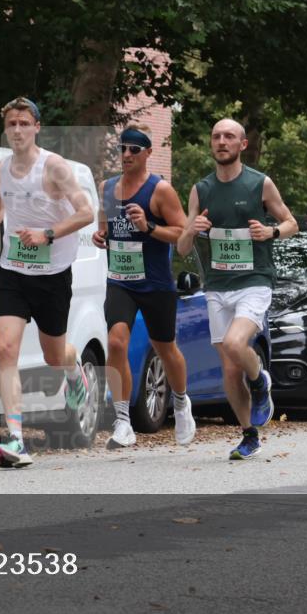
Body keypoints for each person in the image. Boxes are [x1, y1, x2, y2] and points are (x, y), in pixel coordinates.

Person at [0, 97, 95, 468]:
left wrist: (48, 233)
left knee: (53, 356)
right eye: (11, 124)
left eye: (24, 123)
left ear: (37, 127)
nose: (17, 130)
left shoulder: (54, 167)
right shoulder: (0, 168)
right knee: (5, 347)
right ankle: (14, 437)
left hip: (53, 275)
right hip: (13, 271)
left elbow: (86, 212)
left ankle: (76, 375)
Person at [177, 118, 298, 460]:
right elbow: (183, 248)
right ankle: (249, 435)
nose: (221, 141)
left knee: (235, 343)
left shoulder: (260, 184)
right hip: (217, 287)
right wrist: (192, 228)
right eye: (216, 136)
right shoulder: (201, 190)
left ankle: (260, 381)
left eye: (229, 136)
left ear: (242, 144)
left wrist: (271, 232)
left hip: (254, 282)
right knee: (229, 368)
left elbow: (291, 223)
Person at [92, 123, 195, 449]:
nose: (126, 155)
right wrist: (101, 238)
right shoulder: (107, 188)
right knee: (116, 342)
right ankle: (122, 421)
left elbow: (182, 232)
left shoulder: (160, 190)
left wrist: (148, 226)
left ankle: (180, 404)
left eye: (134, 149)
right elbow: (106, 229)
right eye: (122, 148)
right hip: (120, 281)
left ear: (148, 152)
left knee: (165, 349)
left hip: (155, 283)